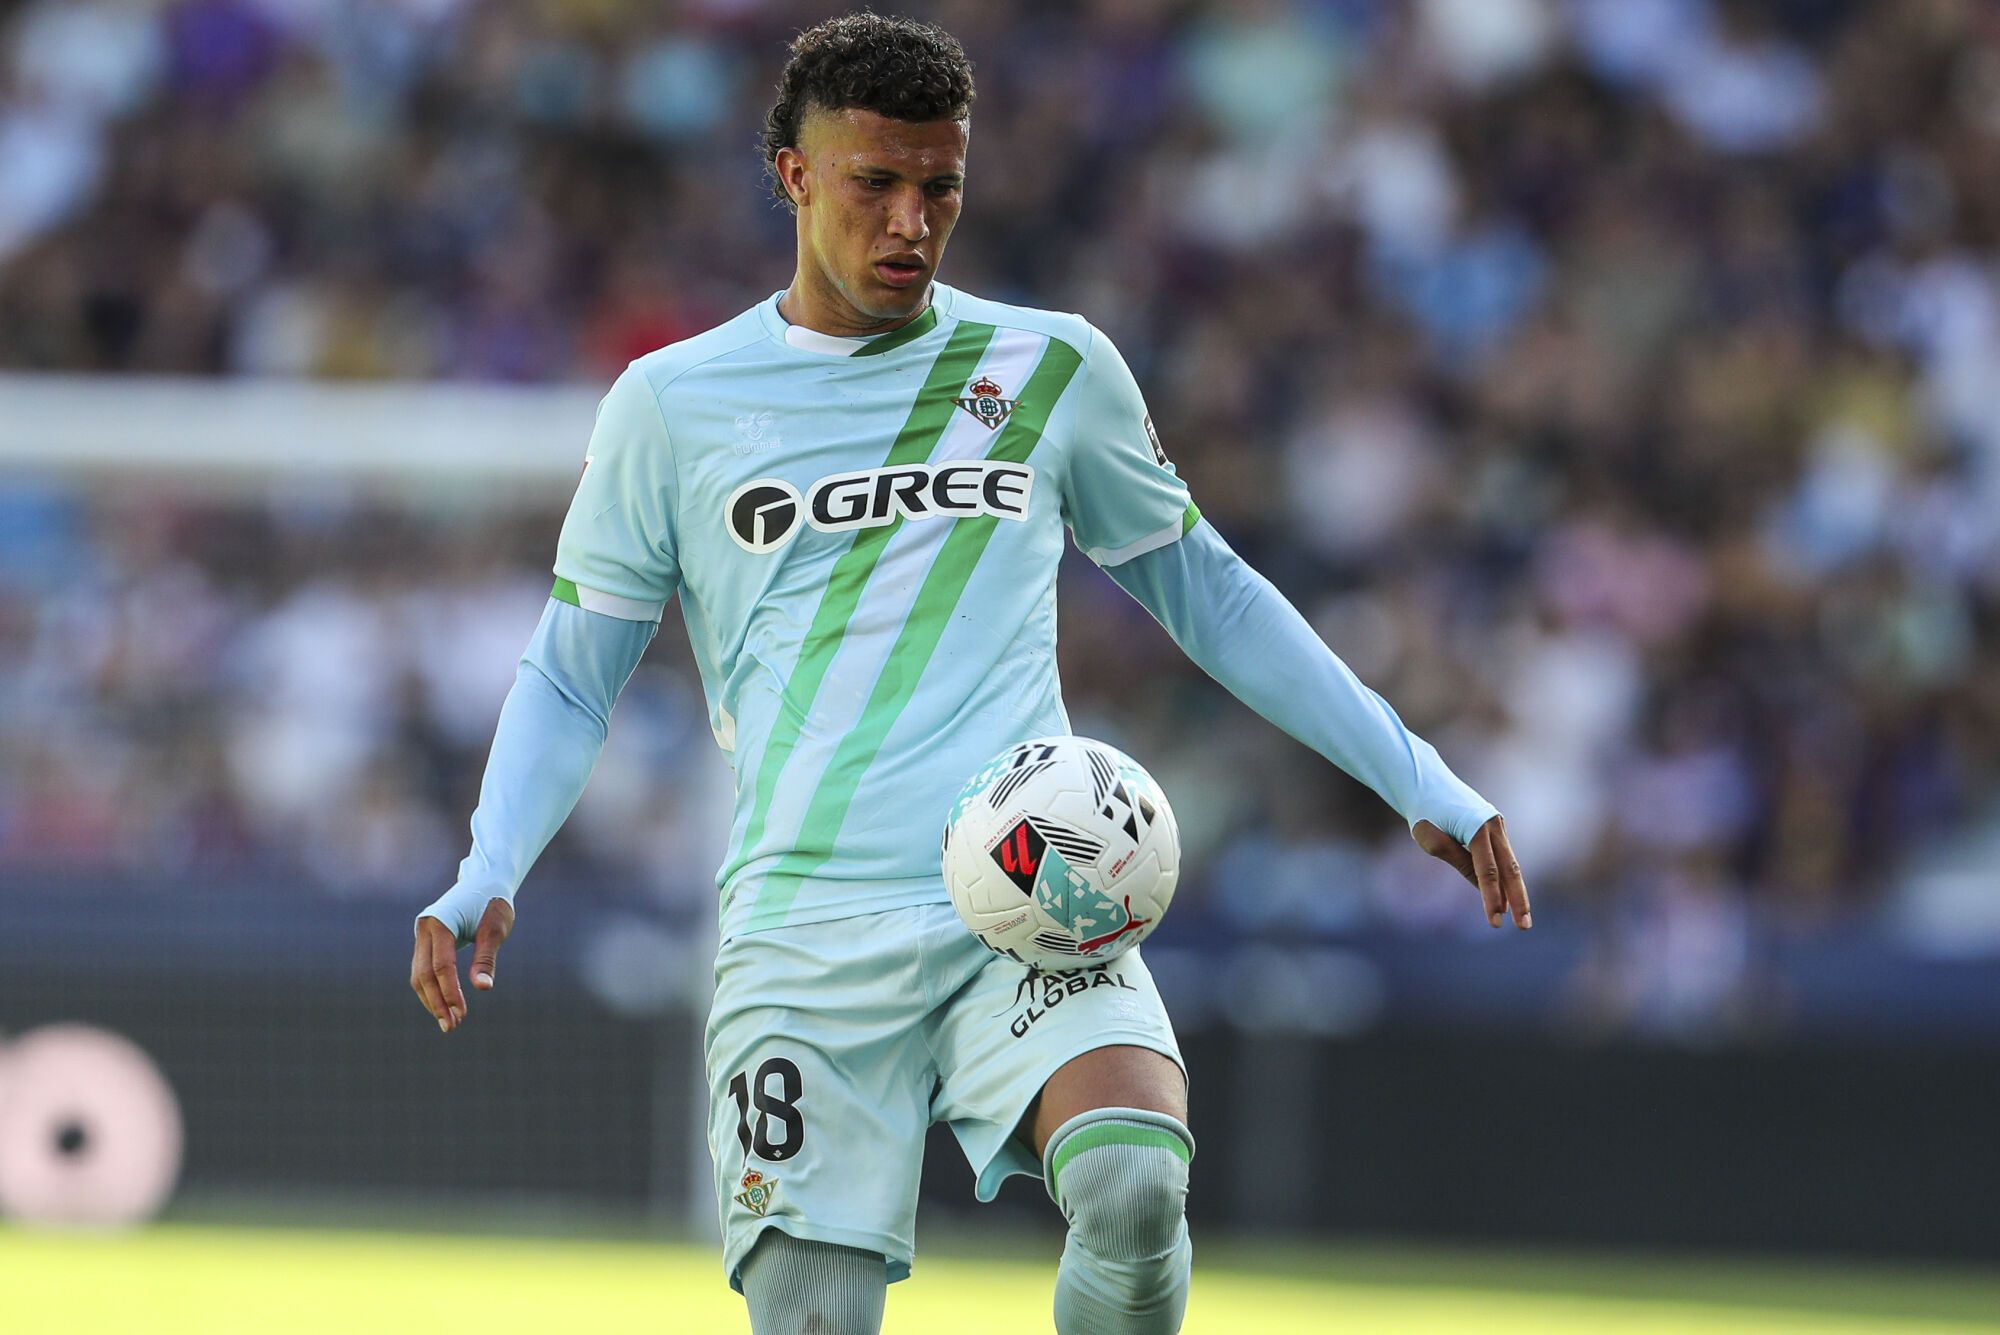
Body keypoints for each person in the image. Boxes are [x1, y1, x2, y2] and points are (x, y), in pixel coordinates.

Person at [407, 14, 1530, 1334]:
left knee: (1128, 1183)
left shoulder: (1050, 367)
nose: (909, 222)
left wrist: (1421, 781)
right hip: (803, 922)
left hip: (1029, 881)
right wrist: (493, 861)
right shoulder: (671, 405)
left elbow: (1208, 591)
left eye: (938, 187)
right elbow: (570, 675)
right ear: (794, 177)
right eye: (873, 183)